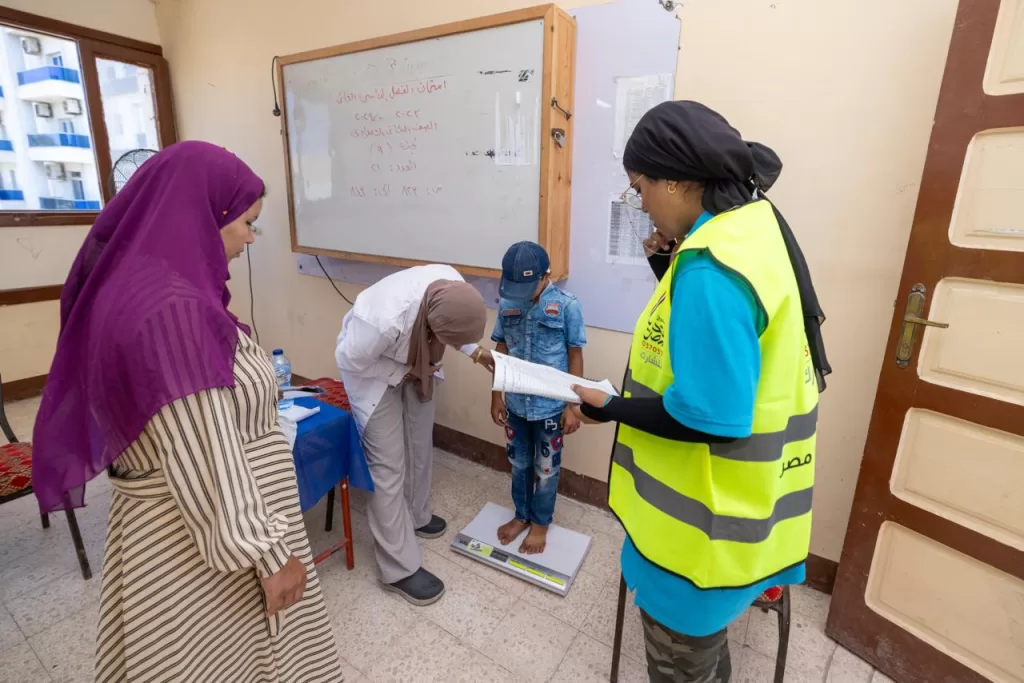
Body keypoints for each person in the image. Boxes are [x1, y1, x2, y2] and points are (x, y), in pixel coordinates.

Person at [30, 142, 344, 682]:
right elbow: (206, 450)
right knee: (227, 664)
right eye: (247, 222)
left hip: (184, 529)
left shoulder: (139, 287)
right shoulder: (172, 312)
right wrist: (270, 554)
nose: (250, 238)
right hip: (197, 548)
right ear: (205, 213)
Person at [570, 101, 831, 683]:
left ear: (680, 179)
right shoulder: (750, 225)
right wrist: (667, 267)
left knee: (682, 669)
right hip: (748, 508)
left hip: (698, 534)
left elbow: (710, 415)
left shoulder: (711, 266)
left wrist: (608, 407)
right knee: (707, 659)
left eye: (640, 188)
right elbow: (726, 344)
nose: (639, 202)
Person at [335, 264, 488, 605]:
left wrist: (477, 353)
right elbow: (348, 358)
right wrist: (402, 371)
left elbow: (455, 327)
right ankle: (398, 569)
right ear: (432, 325)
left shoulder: (453, 288)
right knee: (388, 466)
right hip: (371, 371)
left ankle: (417, 516)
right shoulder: (383, 320)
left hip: (420, 359)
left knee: (419, 441)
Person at [489, 242, 586, 554]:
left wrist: (573, 406)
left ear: (547, 276)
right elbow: (500, 350)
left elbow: (575, 355)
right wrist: (496, 395)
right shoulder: (506, 304)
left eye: (529, 285)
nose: (522, 293)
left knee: (546, 470)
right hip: (516, 404)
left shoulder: (568, 306)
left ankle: (540, 523)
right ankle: (521, 515)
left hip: (550, 409)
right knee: (519, 464)